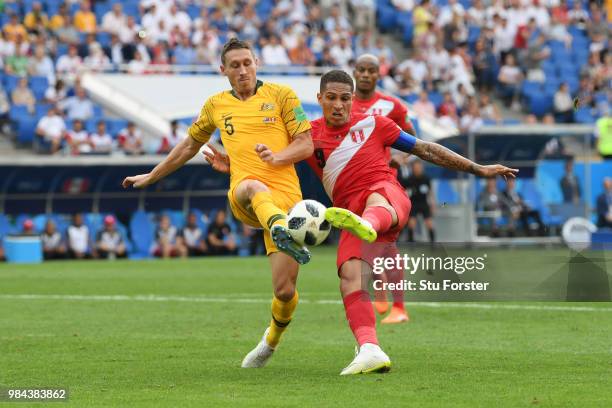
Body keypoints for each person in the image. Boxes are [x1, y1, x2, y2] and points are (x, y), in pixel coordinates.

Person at [205, 70, 517, 374]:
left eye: (344, 98)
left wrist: (478, 168)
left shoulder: (376, 123)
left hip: (385, 196)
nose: (338, 105)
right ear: (320, 99)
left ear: (353, 100)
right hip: (349, 214)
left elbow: (423, 148)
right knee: (350, 279)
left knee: (375, 200)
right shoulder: (308, 137)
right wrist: (232, 165)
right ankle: (369, 348)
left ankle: (369, 222)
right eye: (331, 98)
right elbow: (270, 156)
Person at [123, 39, 316, 370]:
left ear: (257, 62)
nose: (242, 70)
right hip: (244, 194)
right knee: (254, 185)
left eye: (247, 62)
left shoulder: (283, 96)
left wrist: (277, 156)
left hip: (286, 200)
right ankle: (277, 225)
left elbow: (306, 144)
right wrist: (153, 175)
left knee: (284, 292)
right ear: (223, 70)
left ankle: (270, 342)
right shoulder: (215, 104)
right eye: (235, 65)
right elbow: (188, 146)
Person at [401, 160, 436, 244]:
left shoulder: (426, 179)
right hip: (413, 203)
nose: (418, 169)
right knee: (411, 223)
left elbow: (430, 193)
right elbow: (402, 191)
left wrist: (432, 205)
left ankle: (433, 243)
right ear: (413, 168)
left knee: (430, 224)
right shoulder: (409, 179)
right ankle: (411, 242)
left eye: (419, 167)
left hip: (424, 203)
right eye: (416, 167)